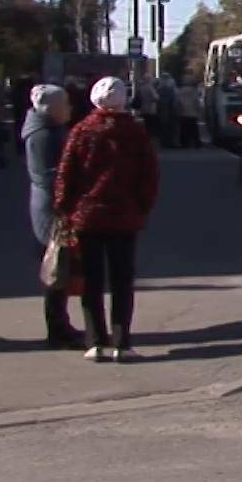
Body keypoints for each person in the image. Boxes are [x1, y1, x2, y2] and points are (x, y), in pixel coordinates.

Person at [54, 77, 159, 362]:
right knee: (122, 280)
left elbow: (66, 174)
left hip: (87, 217)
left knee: (92, 280)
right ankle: (122, 341)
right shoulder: (135, 132)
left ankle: (96, 341)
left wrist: (65, 210)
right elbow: (149, 175)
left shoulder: (82, 130)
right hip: (124, 217)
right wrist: (142, 207)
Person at [22, 84, 82, 348]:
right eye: (65, 103)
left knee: (59, 267)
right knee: (56, 266)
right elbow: (53, 175)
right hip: (52, 208)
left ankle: (61, 325)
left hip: (48, 204)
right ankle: (57, 330)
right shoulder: (45, 135)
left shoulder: (46, 129)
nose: (69, 107)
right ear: (52, 107)